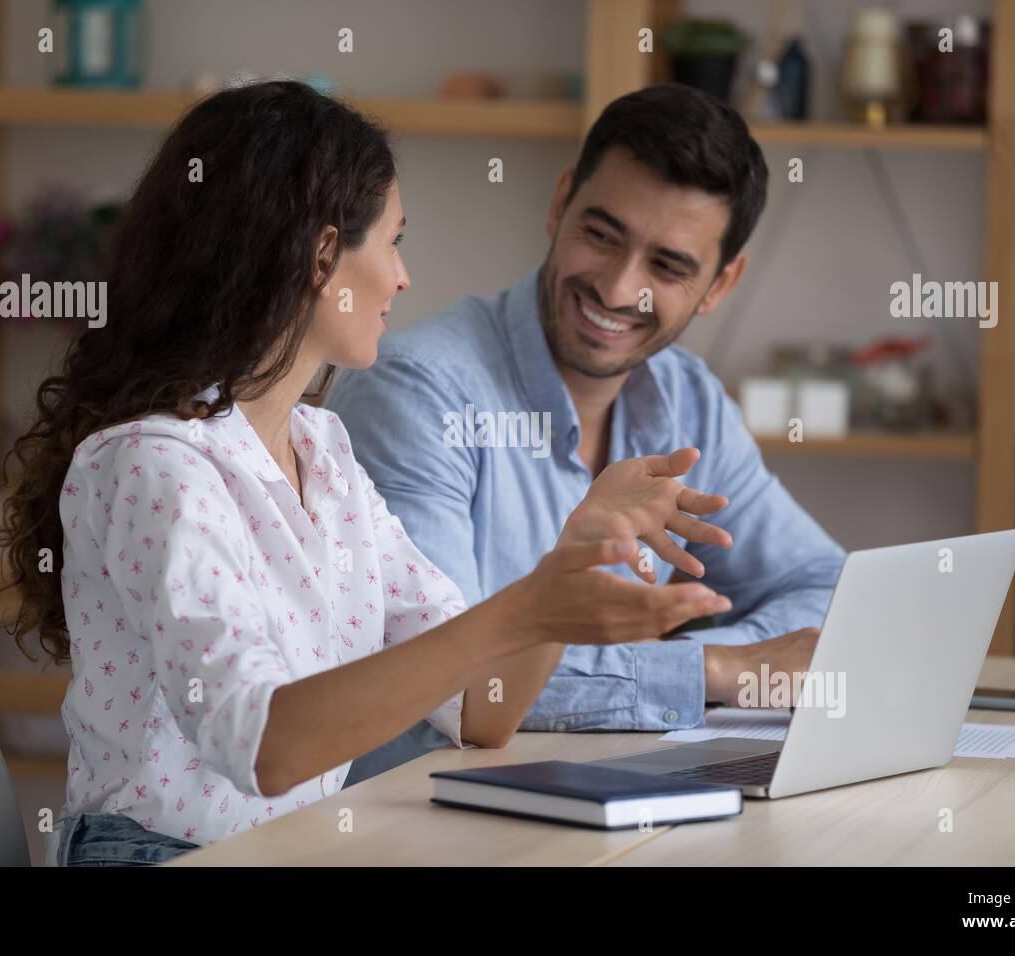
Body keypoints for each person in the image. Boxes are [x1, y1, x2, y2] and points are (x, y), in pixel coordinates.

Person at [0, 80, 734, 866]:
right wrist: (521, 611)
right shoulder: (155, 465)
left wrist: (572, 556)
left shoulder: (326, 452)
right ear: (321, 257)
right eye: (394, 241)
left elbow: (485, 711)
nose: (403, 278)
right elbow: (265, 745)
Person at [326, 84, 846, 784]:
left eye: (667, 267)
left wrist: (736, 663)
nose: (617, 287)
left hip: (604, 796)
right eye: (601, 235)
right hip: (421, 825)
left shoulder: (690, 400)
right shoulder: (417, 390)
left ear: (721, 284)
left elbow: (825, 585)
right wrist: (722, 669)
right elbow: (449, 680)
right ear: (560, 202)